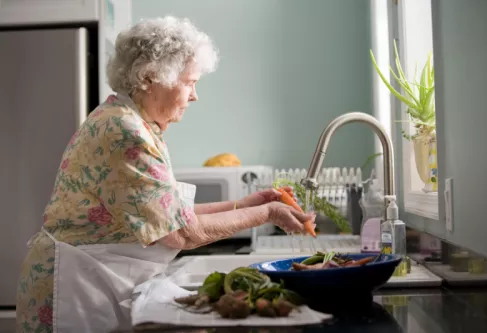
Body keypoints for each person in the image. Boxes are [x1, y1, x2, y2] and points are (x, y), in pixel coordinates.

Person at [15, 16, 316, 333]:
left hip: (92, 280)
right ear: (150, 77)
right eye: (190, 83)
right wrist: (267, 212)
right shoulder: (124, 132)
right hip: (74, 291)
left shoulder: (131, 122)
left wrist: (245, 204)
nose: (195, 95)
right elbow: (181, 232)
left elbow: (168, 215)